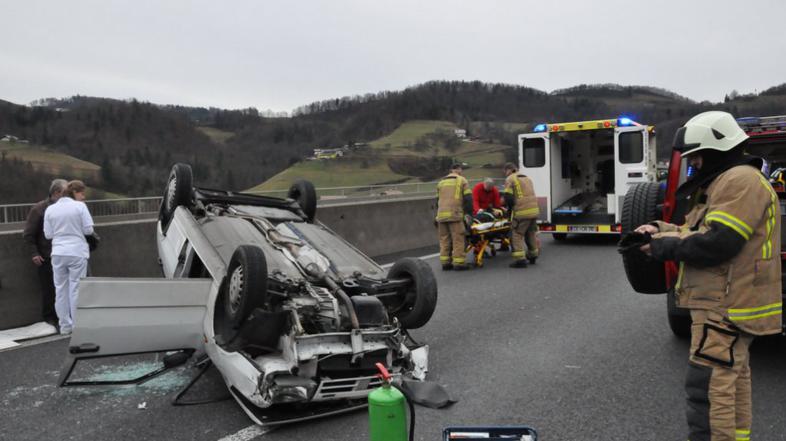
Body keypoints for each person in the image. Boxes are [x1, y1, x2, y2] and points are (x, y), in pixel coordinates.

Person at [636, 111, 782, 441]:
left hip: (724, 306)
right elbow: (700, 229)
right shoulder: (728, 181)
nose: (694, 164)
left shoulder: (738, 181)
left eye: (697, 156)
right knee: (731, 382)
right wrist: (660, 229)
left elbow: (720, 242)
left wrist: (660, 247)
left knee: (709, 392)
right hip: (728, 303)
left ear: (717, 148)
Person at [44, 180, 95, 335]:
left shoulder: (50, 209)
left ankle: (64, 325)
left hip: (58, 252)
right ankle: (77, 325)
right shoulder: (80, 207)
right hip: (76, 251)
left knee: (60, 289)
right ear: (74, 192)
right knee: (75, 289)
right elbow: (88, 230)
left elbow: (48, 234)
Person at [22, 179, 68, 326]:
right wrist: (34, 253)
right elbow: (29, 234)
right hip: (46, 255)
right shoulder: (39, 209)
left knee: (66, 288)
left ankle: (65, 317)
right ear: (56, 193)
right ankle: (50, 318)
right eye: (65, 193)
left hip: (65, 253)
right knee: (49, 289)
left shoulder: (68, 208)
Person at [436, 163, 472, 271]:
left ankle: (445, 263)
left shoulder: (441, 182)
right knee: (458, 238)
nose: (461, 171)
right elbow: (468, 199)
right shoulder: (462, 180)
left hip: (441, 215)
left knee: (444, 239)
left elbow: (436, 200)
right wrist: (468, 214)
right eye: (461, 169)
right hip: (455, 214)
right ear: (458, 170)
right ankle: (459, 263)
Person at [503, 162, 540, 268]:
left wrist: (509, 211)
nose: (505, 174)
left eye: (505, 171)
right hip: (534, 211)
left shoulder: (510, 179)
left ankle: (520, 260)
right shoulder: (527, 178)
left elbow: (508, 198)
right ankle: (533, 256)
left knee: (516, 234)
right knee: (530, 233)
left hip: (522, 212)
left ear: (509, 170)